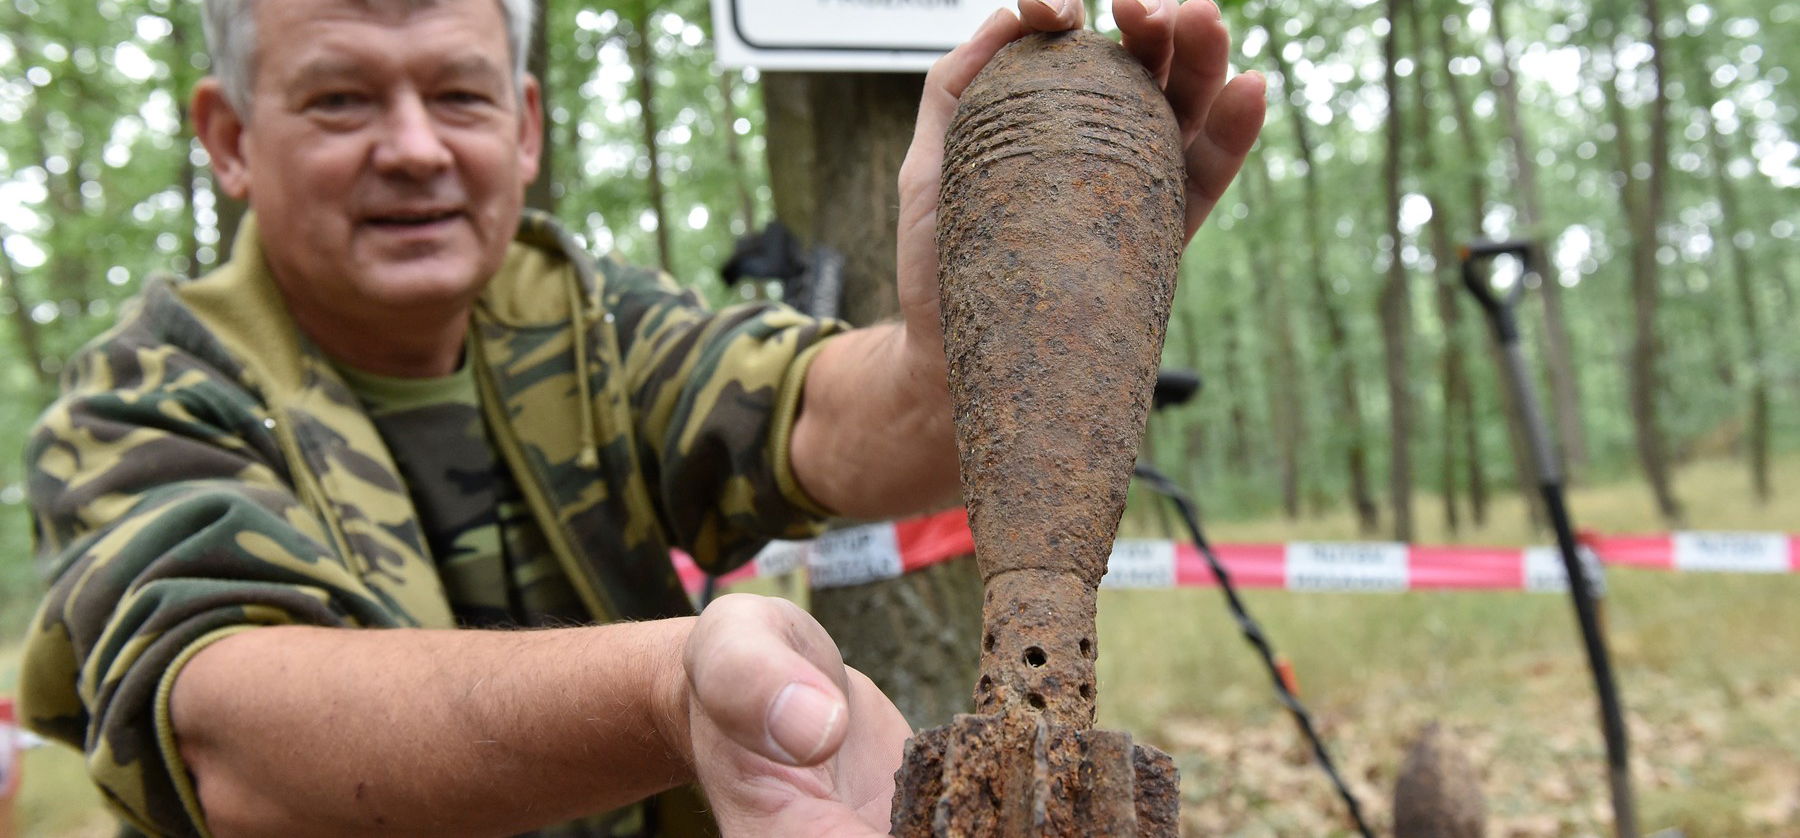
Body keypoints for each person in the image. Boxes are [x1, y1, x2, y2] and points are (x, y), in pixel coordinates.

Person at [15, 0, 1265, 834]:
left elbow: (845, 420)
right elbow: (229, 730)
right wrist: (674, 687)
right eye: (340, 102)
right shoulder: (141, 396)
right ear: (230, 139)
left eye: (457, 97)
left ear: (525, 125)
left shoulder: (587, 321)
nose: (411, 151)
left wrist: (970, 336)